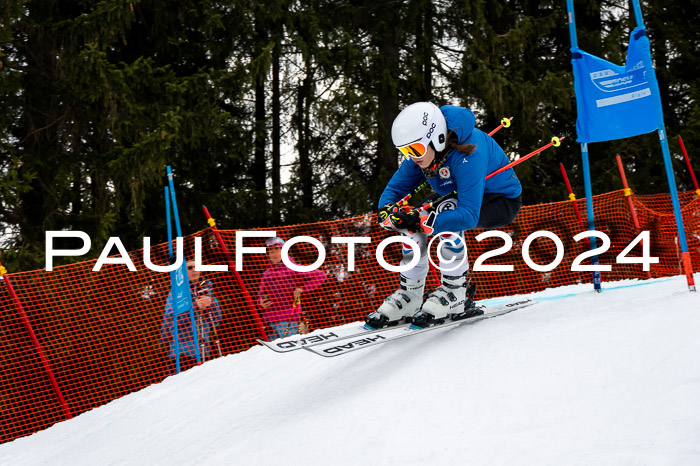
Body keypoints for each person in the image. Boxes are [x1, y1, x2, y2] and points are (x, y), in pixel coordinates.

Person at [366, 102, 522, 329]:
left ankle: (455, 291)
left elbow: (468, 214)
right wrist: (388, 212)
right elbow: (395, 190)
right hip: (458, 197)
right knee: (411, 219)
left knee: (442, 212)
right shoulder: (422, 154)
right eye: (406, 151)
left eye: (416, 150)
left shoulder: (469, 153)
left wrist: (422, 221)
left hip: (499, 201)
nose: (412, 157)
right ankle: (410, 294)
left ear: (437, 138)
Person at [258, 236, 326, 341]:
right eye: (270, 251)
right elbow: (260, 296)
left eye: (277, 250)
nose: (273, 254)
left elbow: (320, 276)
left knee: (292, 352)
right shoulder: (266, 274)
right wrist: (261, 302)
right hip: (270, 322)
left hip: (289, 320)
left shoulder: (293, 268)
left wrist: (302, 289)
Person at [159, 260, 222, 372]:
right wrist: (195, 306)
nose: (194, 270)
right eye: (189, 268)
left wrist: (212, 304)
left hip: (204, 350)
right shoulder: (176, 293)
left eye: (196, 267)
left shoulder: (206, 289)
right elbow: (170, 320)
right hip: (182, 354)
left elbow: (217, 319)